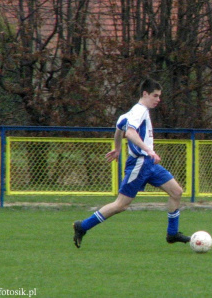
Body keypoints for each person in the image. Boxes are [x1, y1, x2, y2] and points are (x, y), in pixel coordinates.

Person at [73, 78, 190, 248]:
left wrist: (118, 148)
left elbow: (119, 128)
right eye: (155, 96)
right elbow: (130, 132)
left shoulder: (131, 112)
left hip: (149, 164)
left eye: (159, 96)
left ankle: (172, 234)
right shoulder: (140, 111)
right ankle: (82, 226)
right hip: (140, 165)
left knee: (176, 192)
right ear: (145, 94)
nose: (158, 99)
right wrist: (148, 150)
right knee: (121, 205)